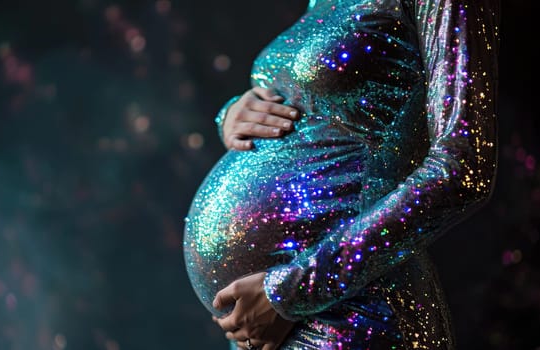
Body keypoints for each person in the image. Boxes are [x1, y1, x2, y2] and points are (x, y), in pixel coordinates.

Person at [183, 0, 500, 349]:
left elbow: (461, 168)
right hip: (263, 321)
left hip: (349, 311)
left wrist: (293, 291)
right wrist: (232, 116)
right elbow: (313, 108)